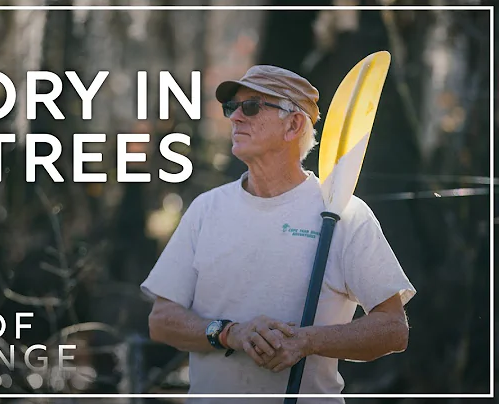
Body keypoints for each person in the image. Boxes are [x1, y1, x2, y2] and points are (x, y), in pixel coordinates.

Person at [140, 65, 417, 403]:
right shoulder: (206, 210)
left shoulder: (345, 214)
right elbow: (162, 321)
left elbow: (392, 330)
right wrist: (229, 333)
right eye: (232, 107)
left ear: (293, 124)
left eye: (251, 106)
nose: (235, 118)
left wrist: (307, 341)